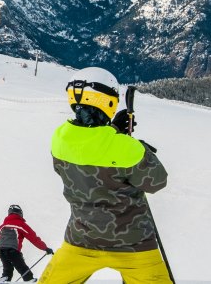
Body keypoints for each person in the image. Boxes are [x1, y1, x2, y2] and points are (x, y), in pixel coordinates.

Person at [39, 67, 171, 284]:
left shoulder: (59, 139)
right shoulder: (127, 148)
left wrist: (113, 132)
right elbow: (157, 182)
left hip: (81, 239)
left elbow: (90, 148)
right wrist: (132, 144)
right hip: (134, 244)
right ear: (108, 102)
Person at [0, 205, 53, 282]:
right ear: (20, 213)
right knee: (22, 268)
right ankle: (29, 280)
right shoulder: (21, 224)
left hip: (1, 250)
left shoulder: (2, 226)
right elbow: (33, 238)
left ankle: (4, 278)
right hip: (13, 250)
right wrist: (45, 248)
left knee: (8, 269)